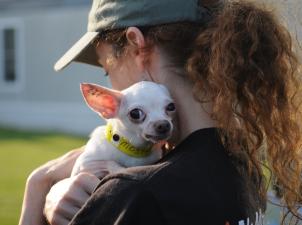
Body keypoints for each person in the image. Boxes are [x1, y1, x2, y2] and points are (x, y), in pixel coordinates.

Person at [18, 0, 302, 225]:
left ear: (137, 45)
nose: (111, 83)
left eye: (108, 69)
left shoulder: (134, 195)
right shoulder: (243, 165)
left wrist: (37, 188)